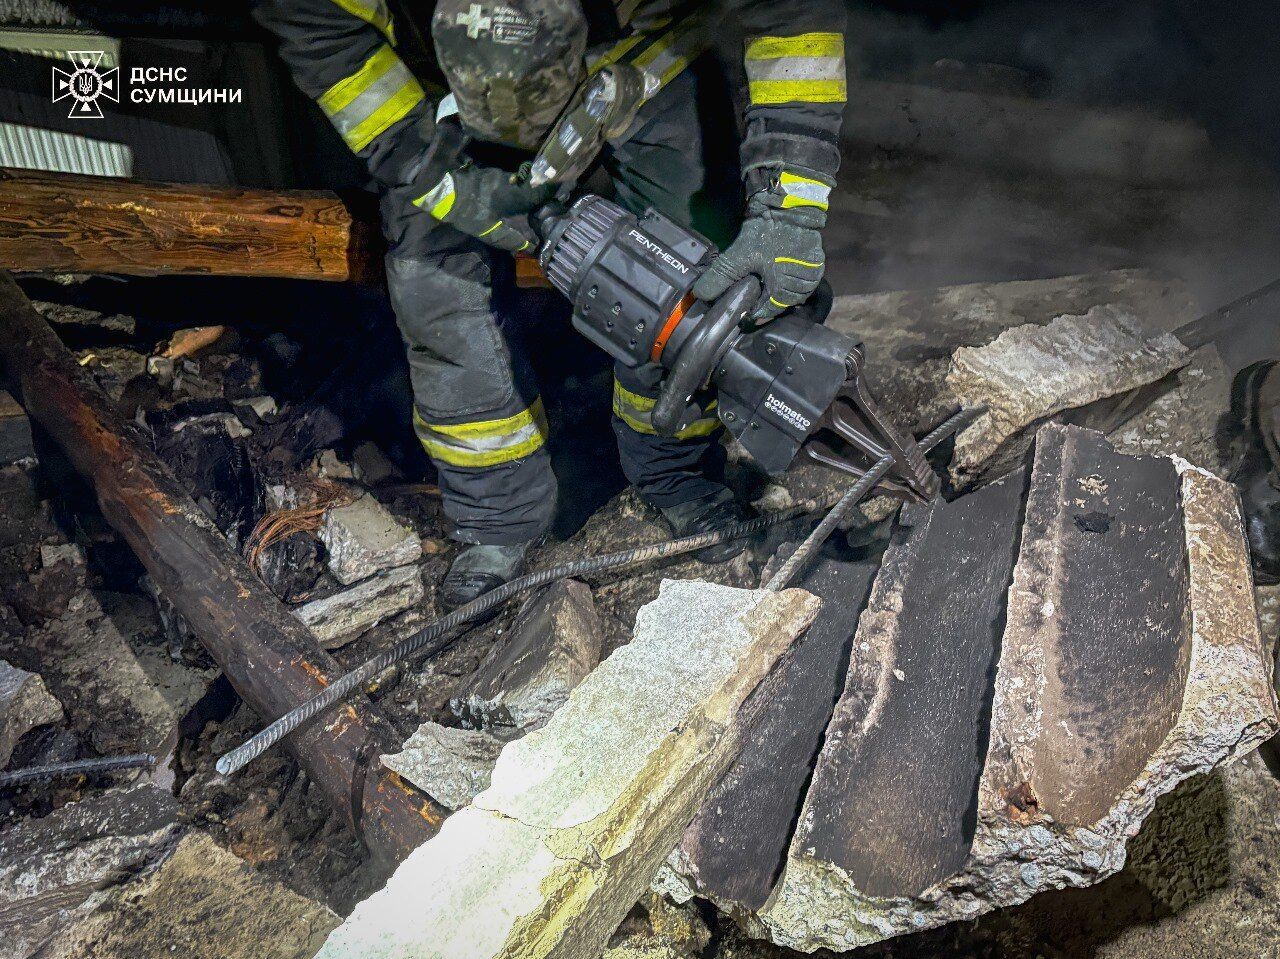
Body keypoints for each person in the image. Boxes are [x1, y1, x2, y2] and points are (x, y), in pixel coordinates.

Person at [255, 0, 847, 607]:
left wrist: (791, 208)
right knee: (434, 284)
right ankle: (497, 515)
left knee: (701, 257)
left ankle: (679, 474)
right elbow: (328, 43)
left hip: (638, 63)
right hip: (447, 107)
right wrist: (432, 175)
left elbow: (794, 16)